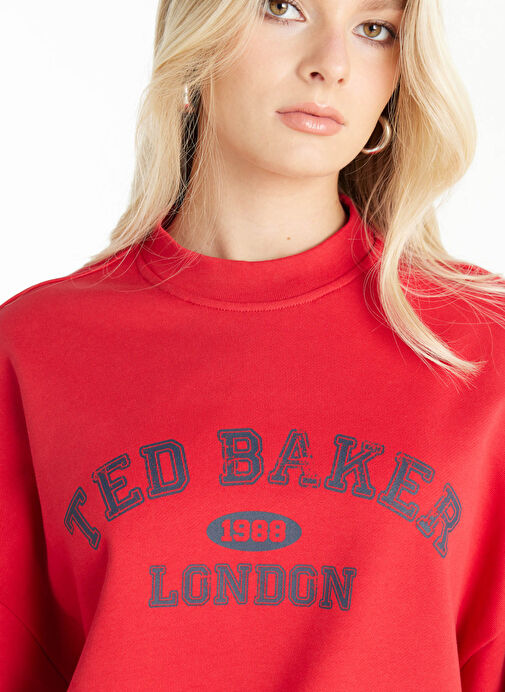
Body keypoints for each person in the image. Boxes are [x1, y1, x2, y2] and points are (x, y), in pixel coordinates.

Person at [1, 0, 504, 689]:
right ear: (196, 32)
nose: (331, 65)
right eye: (282, 7)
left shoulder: (478, 346)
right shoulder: (35, 349)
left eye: (374, 29)